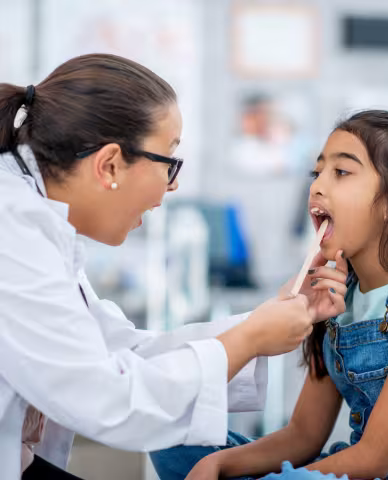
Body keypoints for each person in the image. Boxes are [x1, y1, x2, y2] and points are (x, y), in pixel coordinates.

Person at [0, 54, 343, 479]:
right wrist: (250, 338)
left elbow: (119, 352)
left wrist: (260, 324)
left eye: (344, 172)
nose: (174, 183)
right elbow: (107, 396)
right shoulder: (12, 232)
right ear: (109, 164)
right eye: (169, 161)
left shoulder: (31, 222)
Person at [151, 110, 388, 480]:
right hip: (366, 468)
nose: (317, 186)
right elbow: (303, 436)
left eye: (341, 172)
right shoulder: (337, 299)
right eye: (317, 172)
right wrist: (215, 463)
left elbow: (374, 458)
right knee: (173, 436)